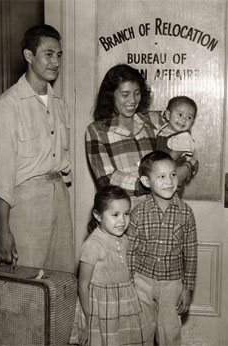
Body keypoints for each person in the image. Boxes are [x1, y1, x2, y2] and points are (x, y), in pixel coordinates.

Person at [0, 24, 74, 273]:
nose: (55, 62)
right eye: (48, 54)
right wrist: (3, 229)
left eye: (58, 55)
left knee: (62, 279)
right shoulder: (7, 105)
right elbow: (3, 175)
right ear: (29, 56)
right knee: (27, 284)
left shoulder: (60, 104)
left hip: (59, 196)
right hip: (25, 203)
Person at [86, 64, 195, 206]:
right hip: (124, 212)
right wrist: (153, 183)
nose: (132, 100)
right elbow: (107, 179)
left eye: (137, 93)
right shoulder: (97, 130)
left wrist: (186, 169)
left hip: (163, 208)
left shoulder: (155, 120)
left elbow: (188, 150)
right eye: (125, 94)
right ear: (110, 95)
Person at [126, 151, 198, 346]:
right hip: (141, 281)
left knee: (169, 332)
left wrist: (187, 288)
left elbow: (190, 254)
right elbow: (130, 251)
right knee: (142, 330)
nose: (169, 181)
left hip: (172, 284)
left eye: (173, 174)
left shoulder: (185, 212)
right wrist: (129, 283)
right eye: (161, 176)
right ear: (146, 181)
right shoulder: (138, 212)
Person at [69, 185, 149, 346]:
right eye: (115, 215)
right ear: (98, 216)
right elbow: (83, 286)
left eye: (127, 214)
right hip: (101, 308)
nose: (122, 220)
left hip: (124, 304)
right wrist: (89, 320)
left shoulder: (125, 239)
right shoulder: (93, 245)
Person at [156, 96, 199, 176]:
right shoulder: (164, 129)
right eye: (180, 114)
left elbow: (174, 155)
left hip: (172, 172)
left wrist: (156, 168)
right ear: (168, 115)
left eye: (189, 117)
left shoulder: (183, 137)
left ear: (192, 122)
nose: (183, 120)